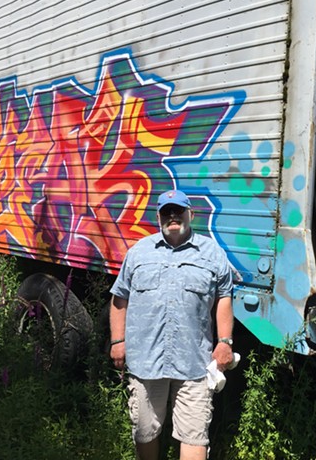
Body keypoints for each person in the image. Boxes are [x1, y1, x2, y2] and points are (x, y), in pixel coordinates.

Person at [109, 189, 234, 460]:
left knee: (194, 434)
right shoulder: (139, 252)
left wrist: (225, 342)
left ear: (191, 214)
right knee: (145, 431)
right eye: (167, 211)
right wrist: (118, 342)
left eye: (178, 210)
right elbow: (120, 298)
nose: (173, 216)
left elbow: (224, 296)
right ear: (159, 217)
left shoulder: (212, 254)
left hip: (194, 364)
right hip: (146, 362)